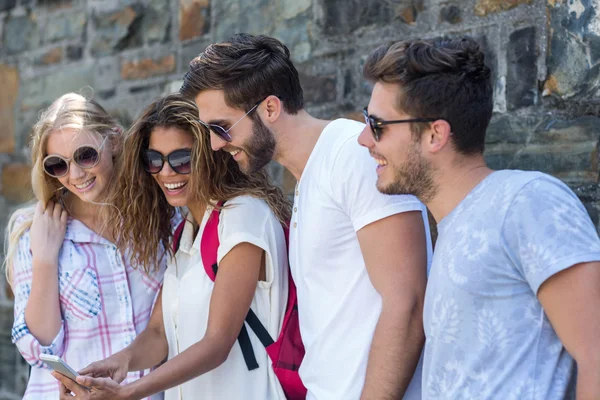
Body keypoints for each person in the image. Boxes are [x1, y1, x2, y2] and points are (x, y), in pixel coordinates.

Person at [180, 34, 432, 400]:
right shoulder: (311, 177)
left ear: (269, 108)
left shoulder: (351, 156)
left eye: (222, 127)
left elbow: (408, 301)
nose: (216, 144)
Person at [358, 36, 600, 399]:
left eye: (378, 126)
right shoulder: (455, 227)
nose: (364, 139)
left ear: (434, 134)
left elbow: (595, 354)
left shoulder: (526, 202)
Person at [52, 94, 291, 400]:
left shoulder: (242, 215)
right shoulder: (187, 232)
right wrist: (117, 363)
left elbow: (217, 343)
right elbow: (158, 333)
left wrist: (128, 393)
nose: (166, 172)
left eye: (181, 159)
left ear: (212, 154)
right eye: (154, 160)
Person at [4, 93, 165, 400]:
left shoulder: (160, 219)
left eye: (86, 155)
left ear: (114, 141)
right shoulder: (33, 230)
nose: (75, 174)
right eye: (58, 165)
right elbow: (38, 348)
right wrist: (45, 260)